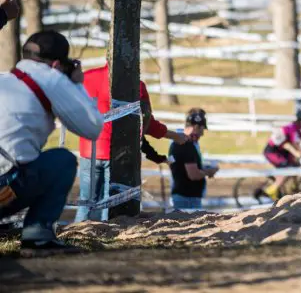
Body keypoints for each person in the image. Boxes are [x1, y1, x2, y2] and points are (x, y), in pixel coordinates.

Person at [0, 31, 103, 256]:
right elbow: (92, 128)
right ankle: (38, 235)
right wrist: (76, 84)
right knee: (62, 160)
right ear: (57, 64)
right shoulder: (51, 78)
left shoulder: (4, 80)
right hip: (6, 187)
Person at [76, 64, 187, 222]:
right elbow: (148, 123)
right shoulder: (136, 85)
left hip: (88, 148)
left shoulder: (87, 77)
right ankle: (105, 238)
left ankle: (79, 234)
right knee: (111, 202)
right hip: (117, 153)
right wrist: (175, 136)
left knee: (86, 201)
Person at [262, 111, 301, 201]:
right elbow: (297, 147)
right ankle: (271, 190)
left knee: (296, 165)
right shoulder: (292, 129)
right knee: (288, 169)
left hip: (283, 151)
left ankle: (292, 187)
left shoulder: (297, 129)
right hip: (273, 151)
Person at [168, 108, 218, 210]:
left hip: (184, 196)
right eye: (202, 129)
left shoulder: (180, 142)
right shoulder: (186, 145)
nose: (202, 134)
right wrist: (209, 171)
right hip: (187, 199)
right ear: (195, 126)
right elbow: (193, 175)